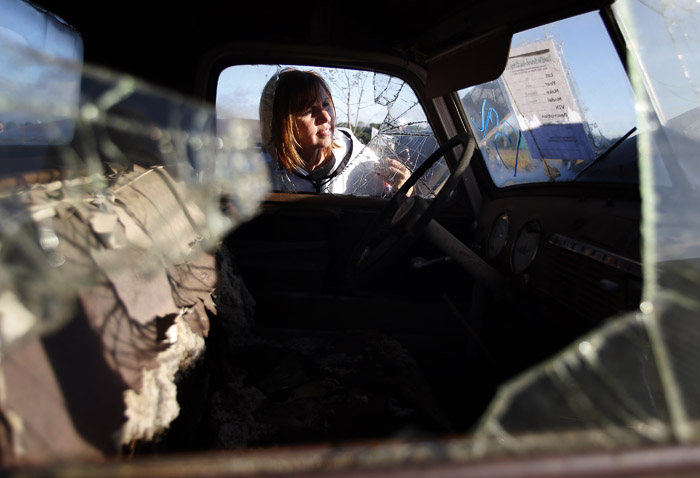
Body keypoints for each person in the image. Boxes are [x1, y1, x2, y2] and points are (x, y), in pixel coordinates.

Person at [259, 68, 411, 196]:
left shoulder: (361, 162)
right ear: (282, 124)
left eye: (326, 104)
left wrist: (405, 190)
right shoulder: (264, 174)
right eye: (309, 110)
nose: (326, 117)